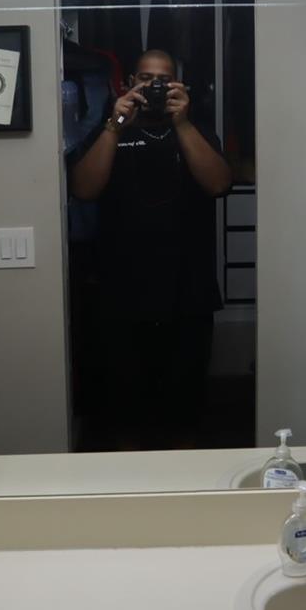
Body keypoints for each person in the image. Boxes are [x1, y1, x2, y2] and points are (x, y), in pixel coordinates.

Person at [68, 50, 233, 449]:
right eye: (145, 79)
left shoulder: (197, 131)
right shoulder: (109, 131)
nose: (154, 87)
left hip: (187, 289)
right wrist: (114, 125)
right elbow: (84, 189)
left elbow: (218, 184)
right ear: (129, 85)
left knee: (184, 408)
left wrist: (182, 122)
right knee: (124, 408)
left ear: (180, 87)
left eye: (164, 80)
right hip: (121, 290)